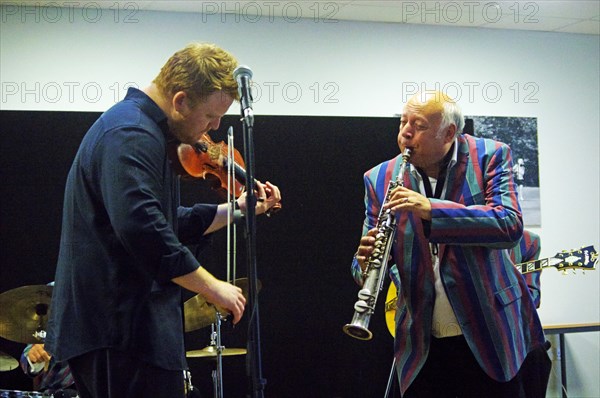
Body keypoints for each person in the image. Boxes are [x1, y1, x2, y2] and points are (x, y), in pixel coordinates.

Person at [45, 42, 281, 398]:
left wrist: (238, 209)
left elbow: (167, 222)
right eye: (210, 116)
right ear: (181, 100)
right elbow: (143, 230)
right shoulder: (130, 134)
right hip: (120, 329)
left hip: (130, 329)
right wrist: (212, 285)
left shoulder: (148, 133)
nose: (214, 127)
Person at [352, 91, 550, 397]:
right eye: (403, 121)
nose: (405, 132)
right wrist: (365, 264)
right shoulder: (379, 178)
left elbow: (508, 225)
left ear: (449, 133)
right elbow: (366, 263)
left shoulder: (490, 156)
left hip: (490, 335)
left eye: (418, 125)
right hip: (422, 343)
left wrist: (432, 209)